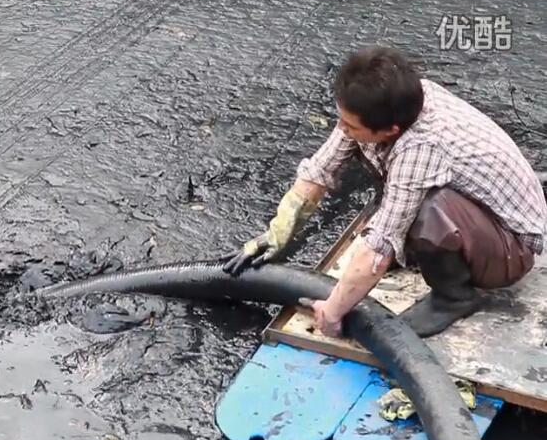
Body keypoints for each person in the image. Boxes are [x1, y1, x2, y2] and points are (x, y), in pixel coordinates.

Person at [222, 45, 547, 338]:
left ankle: (454, 296)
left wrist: (332, 313)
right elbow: (322, 170)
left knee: (429, 210)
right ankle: (431, 253)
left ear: (390, 128)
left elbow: (379, 247)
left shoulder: (421, 144)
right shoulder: (388, 106)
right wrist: (274, 236)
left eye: (350, 125)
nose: (342, 129)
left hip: (509, 249)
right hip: (476, 216)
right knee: (373, 155)